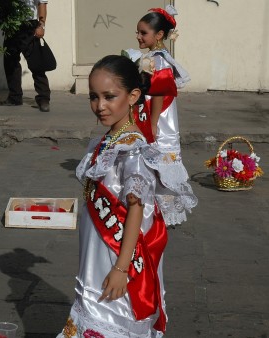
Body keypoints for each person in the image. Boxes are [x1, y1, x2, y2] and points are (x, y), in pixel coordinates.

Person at [57, 55, 194, 338]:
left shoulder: (133, 150)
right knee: (94, 304)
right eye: (93, 97)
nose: (100, 106)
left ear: (133, 96)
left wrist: (121, 268)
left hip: (118, 252)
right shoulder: (107, 141)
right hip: (97, 247)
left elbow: (136, 208)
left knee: (112, 311)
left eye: (109, 96)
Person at [124, 5, 197, 226]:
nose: (138, 36)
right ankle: (156, 208)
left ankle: (162, 211)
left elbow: (159, 93)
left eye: (143, 32)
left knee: (159, 164)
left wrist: (153, 123)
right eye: (137, 31)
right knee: (155, 164)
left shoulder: (158, 60)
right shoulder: (157, 56)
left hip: (160, 117)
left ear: (159, 35)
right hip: (159, 115)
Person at [1, 0, 51, 112]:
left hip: (29, 25)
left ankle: (44, 99)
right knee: (10, 62)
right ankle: (15, 97)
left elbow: (42, 3)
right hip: (11, 25)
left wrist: (41, 25)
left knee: (36, 62)